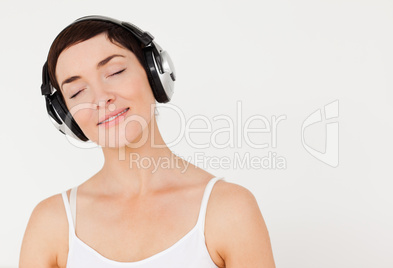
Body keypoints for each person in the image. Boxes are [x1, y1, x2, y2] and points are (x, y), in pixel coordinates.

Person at [19, 15, 276, 268]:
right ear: (65, 116)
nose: (101, 98)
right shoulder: (51, 224)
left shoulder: (230, 210)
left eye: (115, 71)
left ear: (155, 73)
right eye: (76, 92)